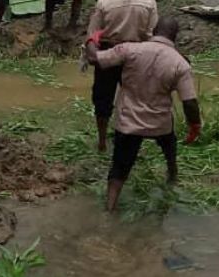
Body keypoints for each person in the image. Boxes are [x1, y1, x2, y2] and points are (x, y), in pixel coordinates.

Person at [84, 16, 201, 212]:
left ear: (153, 31)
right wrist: (194, 126)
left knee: (118, 170)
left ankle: (109, 209)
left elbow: (94, 59)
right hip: (160, 123)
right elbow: (189, 102)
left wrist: (91, 41)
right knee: (169, 147)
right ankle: (172, 177)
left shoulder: (129, 49)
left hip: (129, 122)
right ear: (175, 37)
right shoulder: (180, 63)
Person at [86, 0, 158, 152]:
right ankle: (132, 141)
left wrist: (92, 54)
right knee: (135, 99)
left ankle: (102, 141)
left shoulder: (104, 2)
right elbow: (152, 34)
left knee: (103, 98)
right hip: (137, 54)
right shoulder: (149, 0)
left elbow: (92, 34)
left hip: (109, 53)